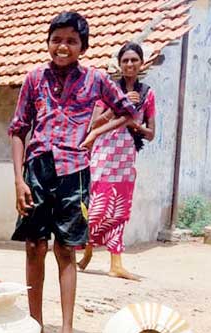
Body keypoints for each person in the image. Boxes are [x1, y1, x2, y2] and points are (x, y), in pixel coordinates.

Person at [9, 11, 137, 333]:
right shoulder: (34, 78)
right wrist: (19, 180)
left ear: (83, 46)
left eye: (71, 41)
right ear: (48, 42)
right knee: (34, 246)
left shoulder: (96, 79)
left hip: (75, 171)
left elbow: (128, 110)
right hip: (37, 169)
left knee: (66, 250)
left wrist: (95, 131)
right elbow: (19, 129)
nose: (62, 47)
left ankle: (66, 331)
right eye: (57, 39)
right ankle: (35, 325)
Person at [78, 42, 157, 280]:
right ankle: (88, 251)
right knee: (97, 204)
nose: (130, 64)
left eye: (134, 60)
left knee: (119, 207)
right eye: (126, 60)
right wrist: (119, 104)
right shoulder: (109, 89)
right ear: (120, 64)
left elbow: (151, 133)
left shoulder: (147, 94)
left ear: (141, 64)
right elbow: (94, 124)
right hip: (104, 152)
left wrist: (132, 120)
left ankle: (116, 263)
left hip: (126, 154)